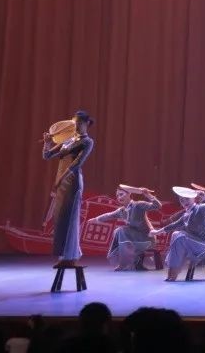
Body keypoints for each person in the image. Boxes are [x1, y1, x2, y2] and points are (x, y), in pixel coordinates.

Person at [41, 110, 95, 264]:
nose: (76, 126)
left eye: (79, 123)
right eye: (74, 123)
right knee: (60, 217)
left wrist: (61, 178)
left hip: (72, 180)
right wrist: (47, 142)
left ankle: (71, 256)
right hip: (61, 181)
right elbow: (47, 156)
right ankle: (63, 256)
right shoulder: (69, 139)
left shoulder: (87, 142)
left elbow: (77, 163)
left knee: (70, 217)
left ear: (86, 124)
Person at [152, 186, 205, 282]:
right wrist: (157, 232)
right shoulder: (186, 215)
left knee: (181, 237)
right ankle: (171, 273)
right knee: (175, 234)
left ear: (193, 199)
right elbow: (173, 225)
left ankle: (173, 274)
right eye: (182, 200)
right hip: (194, 245)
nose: (184, 202)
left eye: (187, 199)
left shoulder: (200, 208)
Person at [87, 185, 161, 270]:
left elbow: (157, 206)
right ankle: (124, 262)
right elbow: (108, 215)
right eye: (117, 196)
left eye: (121, 194)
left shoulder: (138, 205)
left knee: (121, 230)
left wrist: (147, 194)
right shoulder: (121, 211)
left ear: (129, 194)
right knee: (117, 231)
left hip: (146, 238)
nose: (119, 197)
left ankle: (125, 263)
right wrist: (96, 219)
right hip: (133, 238)